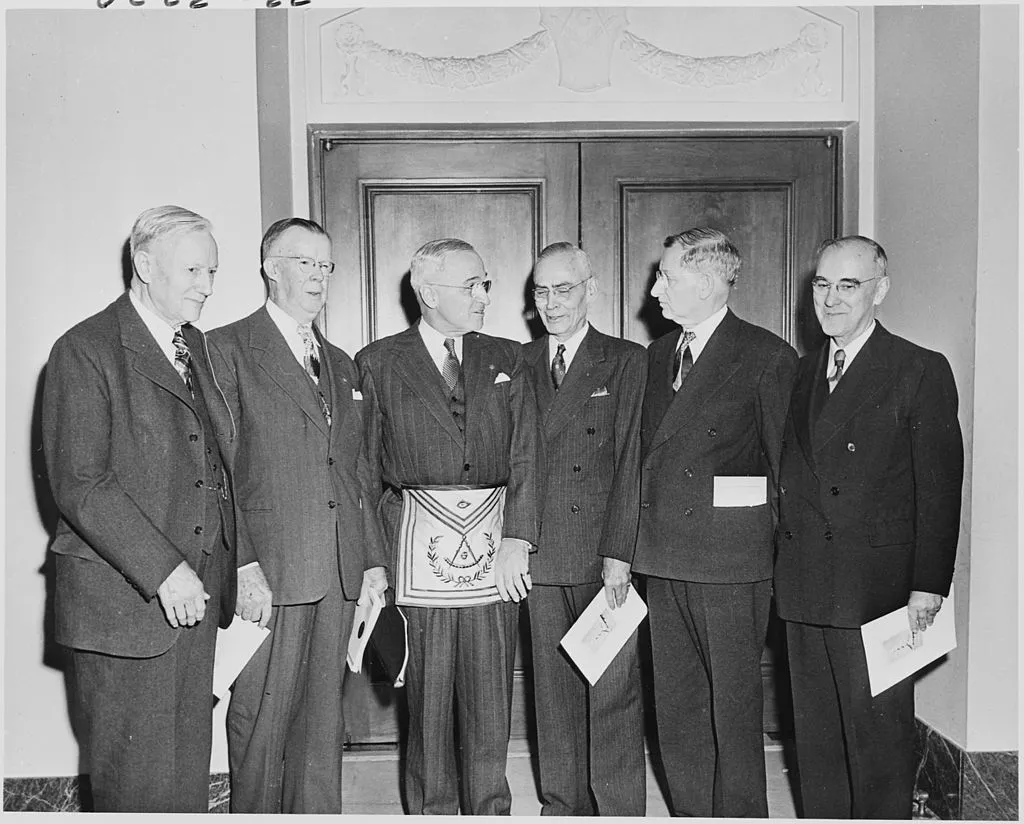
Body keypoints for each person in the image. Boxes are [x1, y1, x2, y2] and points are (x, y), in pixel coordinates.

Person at [41, 204, 236, 812]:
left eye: (213, 271)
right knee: (136, 791)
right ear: (144, 265)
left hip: (193, 602)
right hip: (125, 607)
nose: (207, 286)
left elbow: (220, 467)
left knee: (181, 785)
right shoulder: (85, 349)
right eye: (193, 271)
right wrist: (164, 569)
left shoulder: (195, 345)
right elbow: (82, 483)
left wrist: (241, 564)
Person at [773, 235, 963, 819]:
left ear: (880, 290)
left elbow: (939, 489)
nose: (830, 299)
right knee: (817, 742)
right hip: (805, 585)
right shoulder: (803, 372)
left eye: (847, 285)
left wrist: (928, 584)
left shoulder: (917, 369)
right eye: (822, 284)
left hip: (876, 591)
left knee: (877, 745)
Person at [207, 217, 388, 813]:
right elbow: (218, 473)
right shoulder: (226, 349)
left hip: (336, 574)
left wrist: (369, 565)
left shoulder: (340, 361)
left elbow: (357, 471)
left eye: (326, 265)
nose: (317, 276)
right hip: (270, 577)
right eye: (304, 262)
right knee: (260, 726)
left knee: (320, 732)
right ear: (270, 268)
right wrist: (243, 565)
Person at [356, 238, 540, 815]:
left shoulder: (510, 357)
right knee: (428, 704)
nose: (486, 294)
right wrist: (374, 563)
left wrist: (520, 537)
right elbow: (362, 470)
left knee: (490, 702)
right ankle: (431, 812)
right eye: (472, 285)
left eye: (485, 283)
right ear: (428, 293)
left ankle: (490, 809)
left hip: (494, 555)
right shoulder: (379, 362)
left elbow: (528, 456)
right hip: (415, 555)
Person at [632, 227, 798, 817]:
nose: (654, 290)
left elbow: (785, 474)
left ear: (704, 283)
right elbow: (640, 462)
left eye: (666, 277)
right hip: (662, 558)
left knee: (732, 709)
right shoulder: (656, 356)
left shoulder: (767, 357)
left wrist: (783, 569)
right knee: (676, 707)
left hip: (733, 563)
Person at [521, 242, 647, 816]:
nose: (551, 302)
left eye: (563, 289)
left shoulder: (624, 360)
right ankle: (562, 805)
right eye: (541, 291)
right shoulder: (518, 364)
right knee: (553, 695)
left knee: (613, 693)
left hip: (601, 556)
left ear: (591, 289)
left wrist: (619, 552)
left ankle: (618, 810)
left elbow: (630, 464)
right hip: (540, 555)